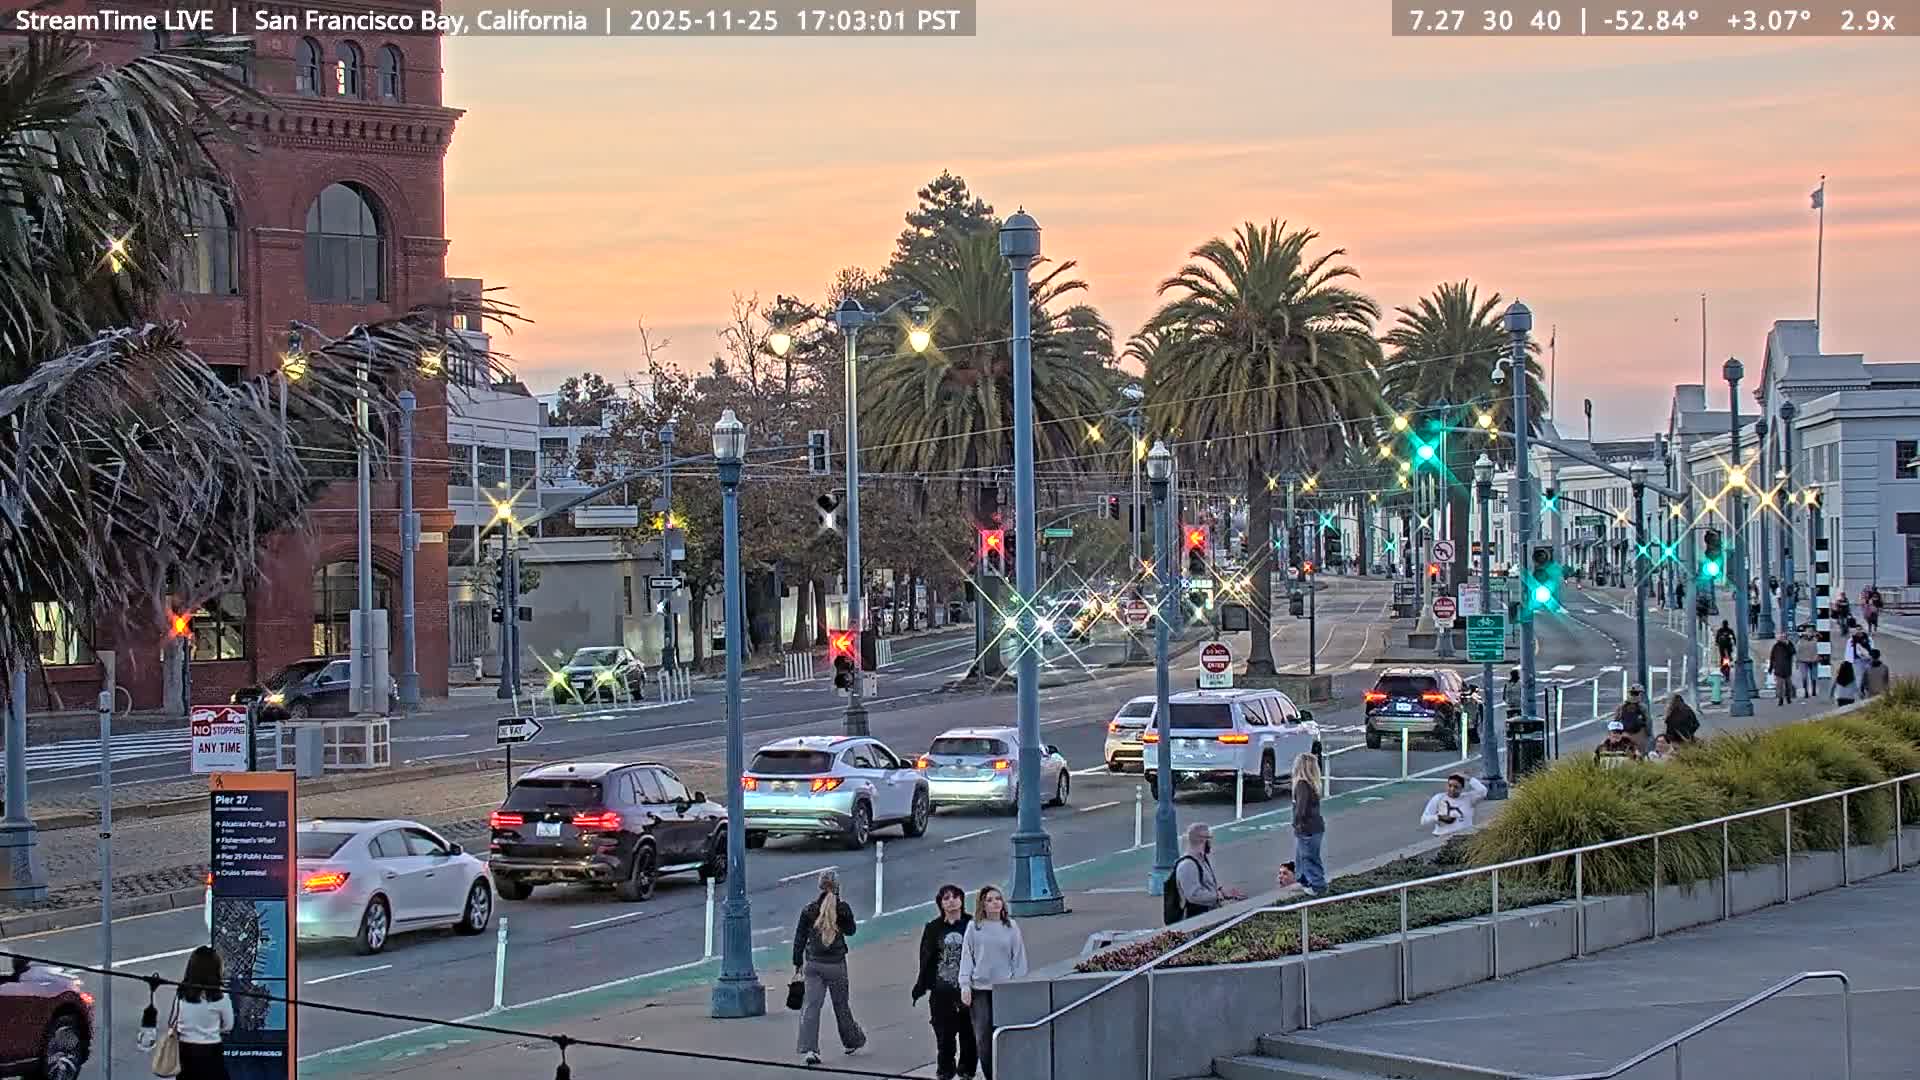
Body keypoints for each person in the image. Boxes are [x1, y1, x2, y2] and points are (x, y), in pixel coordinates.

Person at [793, 869, 865, 1065]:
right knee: (841, 1005)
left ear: (819, 886)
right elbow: (851, 931)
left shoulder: (809, 910)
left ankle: (810, 1050)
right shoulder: (842, 908)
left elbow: (799, 938)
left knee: (811, 1007)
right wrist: (843, 915)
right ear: (838, 887)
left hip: (813, 964)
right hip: (836, 964)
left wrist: (797, 963)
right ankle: (852, 1040)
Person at [960, 885, 1028, 1080]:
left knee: (1005, 1032)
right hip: (980, 988)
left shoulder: (1011, 927)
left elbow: (1019, 959)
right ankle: (991, 1075)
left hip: (1004, 988)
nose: (995, 903)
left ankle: (1009, 1071)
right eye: (989, 900)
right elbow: (967, 957)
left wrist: (1018, 984)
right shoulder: (974, 927)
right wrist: (965, 985)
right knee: (983, 1036)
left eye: (998, 899)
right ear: (983, 904)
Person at [913, 885, 977, 1080]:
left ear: (962, 900)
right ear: (940, 903)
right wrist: (923, 985)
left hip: (968, 988)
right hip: (942, 990)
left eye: (955, 896)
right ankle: (945, 1070)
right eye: (946, 898)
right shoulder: (933, 928)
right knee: (944, 1036)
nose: (951, 901)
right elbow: (926, 957)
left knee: (969, 1034)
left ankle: (966, 1070)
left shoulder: (972, 924)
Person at [175, 946, 233, 1080]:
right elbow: (228, 1026)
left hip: (185, 1050)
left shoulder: (181, 994)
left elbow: (175, 1020)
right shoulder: (221, 997)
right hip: (211, 1051)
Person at [1171, 822, 1243, 921]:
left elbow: (1206, 884)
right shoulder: (1188, 865)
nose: (1211, 843)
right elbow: (1194, 895)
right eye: (1210, 839)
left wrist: (1222, 892)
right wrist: (1218, 896)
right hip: (1197, 920)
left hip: (1208, 915)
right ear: (1203, 840)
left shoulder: (1202, 859)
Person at [1290, 752, 1327, 895]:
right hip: (1316, 826)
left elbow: (1301, 807)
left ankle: (1318, 885)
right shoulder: (1313, 784)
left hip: (1307, 828)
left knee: (1308, 857)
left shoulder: (1301, 785)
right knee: (1302, 856)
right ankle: (1303, 880)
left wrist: (1297, 822)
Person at [1420, 773, 1489, 837]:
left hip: (1465, 835)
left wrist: (1469, 778)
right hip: (1443, 836)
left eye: (1456, 787)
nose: (1452, 789)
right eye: (1450, 786)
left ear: (1462, 788)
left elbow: (1483, 791)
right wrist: (1439, 817)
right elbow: (1424, 820)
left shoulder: (1468, 798)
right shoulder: (1438, 798)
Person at [1614, 686, 1650, 752]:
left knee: (1625, 752)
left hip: (1625, 733)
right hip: (1639, 734)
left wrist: (1615, 733)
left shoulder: (1621, 706)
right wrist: (1648, 733)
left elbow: (1615, 720)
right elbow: (1647, 721)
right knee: (1639, 753)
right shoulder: (1643, 707)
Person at [1768, 632, 1797, 705]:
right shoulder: (1776, 646)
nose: (1782, 638)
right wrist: (1771, 668)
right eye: (1780, 637)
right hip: (1778, 669)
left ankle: (1788, 698)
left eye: (1783, 637)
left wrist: (1787, 644)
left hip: (1787, 669)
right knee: (1779, 685)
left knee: (1788, 685)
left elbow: (1792, 652)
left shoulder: (1789, 644)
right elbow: (1772, 657)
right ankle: (1780, 699)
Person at [1795, 629, 1820, 698]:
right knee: (1804, 677)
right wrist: (1797, 661)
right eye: (1808, 632)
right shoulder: (1800, 641)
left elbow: (1820, 650)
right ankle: (1805, 691)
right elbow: (1797, 651)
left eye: (1811, 633)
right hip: (1803, 661)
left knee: (1813, 677)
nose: (1809, 634)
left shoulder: (1816, 640)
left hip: (1813, 661)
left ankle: (1813, 691)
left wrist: (1818, 658)